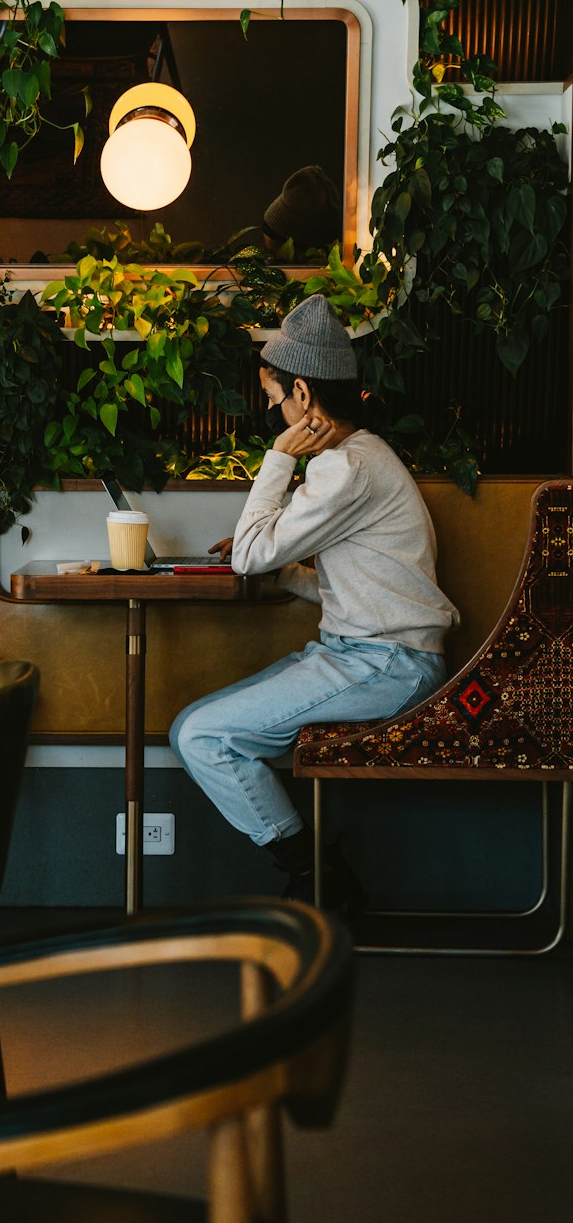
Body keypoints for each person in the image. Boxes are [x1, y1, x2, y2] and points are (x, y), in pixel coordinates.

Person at [169, 294, 460, 914]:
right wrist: (285, 575)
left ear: (302, 393)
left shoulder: (343, 470)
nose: (274, 414)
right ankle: (319, 876)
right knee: (191, 728)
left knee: (201, 736)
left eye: (274, 400)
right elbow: (354, 583)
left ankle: (322, 879)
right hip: (369, 655)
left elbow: (251, 554)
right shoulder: (358, 461)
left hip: (384, 665)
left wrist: (278, 461)